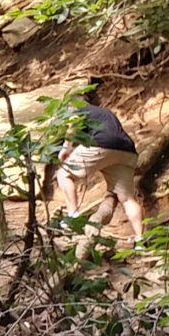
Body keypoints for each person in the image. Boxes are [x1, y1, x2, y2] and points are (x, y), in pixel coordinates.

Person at [53, 94, 146, 247]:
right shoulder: (104, 112)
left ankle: (73, 215)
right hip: (127, 150)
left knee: (64, 174)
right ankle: (140, 239)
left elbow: (72, 127)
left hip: (101, 144)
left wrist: (65, 149)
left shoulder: (78, 109)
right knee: (127, 198)